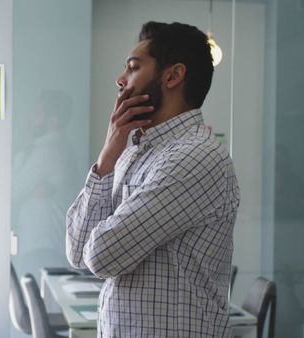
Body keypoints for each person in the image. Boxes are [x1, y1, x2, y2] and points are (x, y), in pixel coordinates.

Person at [66, 21, 240, 337]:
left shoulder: (194, 157)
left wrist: (103, 234)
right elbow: (78, 252)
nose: (120, 80)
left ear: (173, 76)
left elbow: (102, 256)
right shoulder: (132, 150)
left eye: (133, 68)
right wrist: (107, 156)